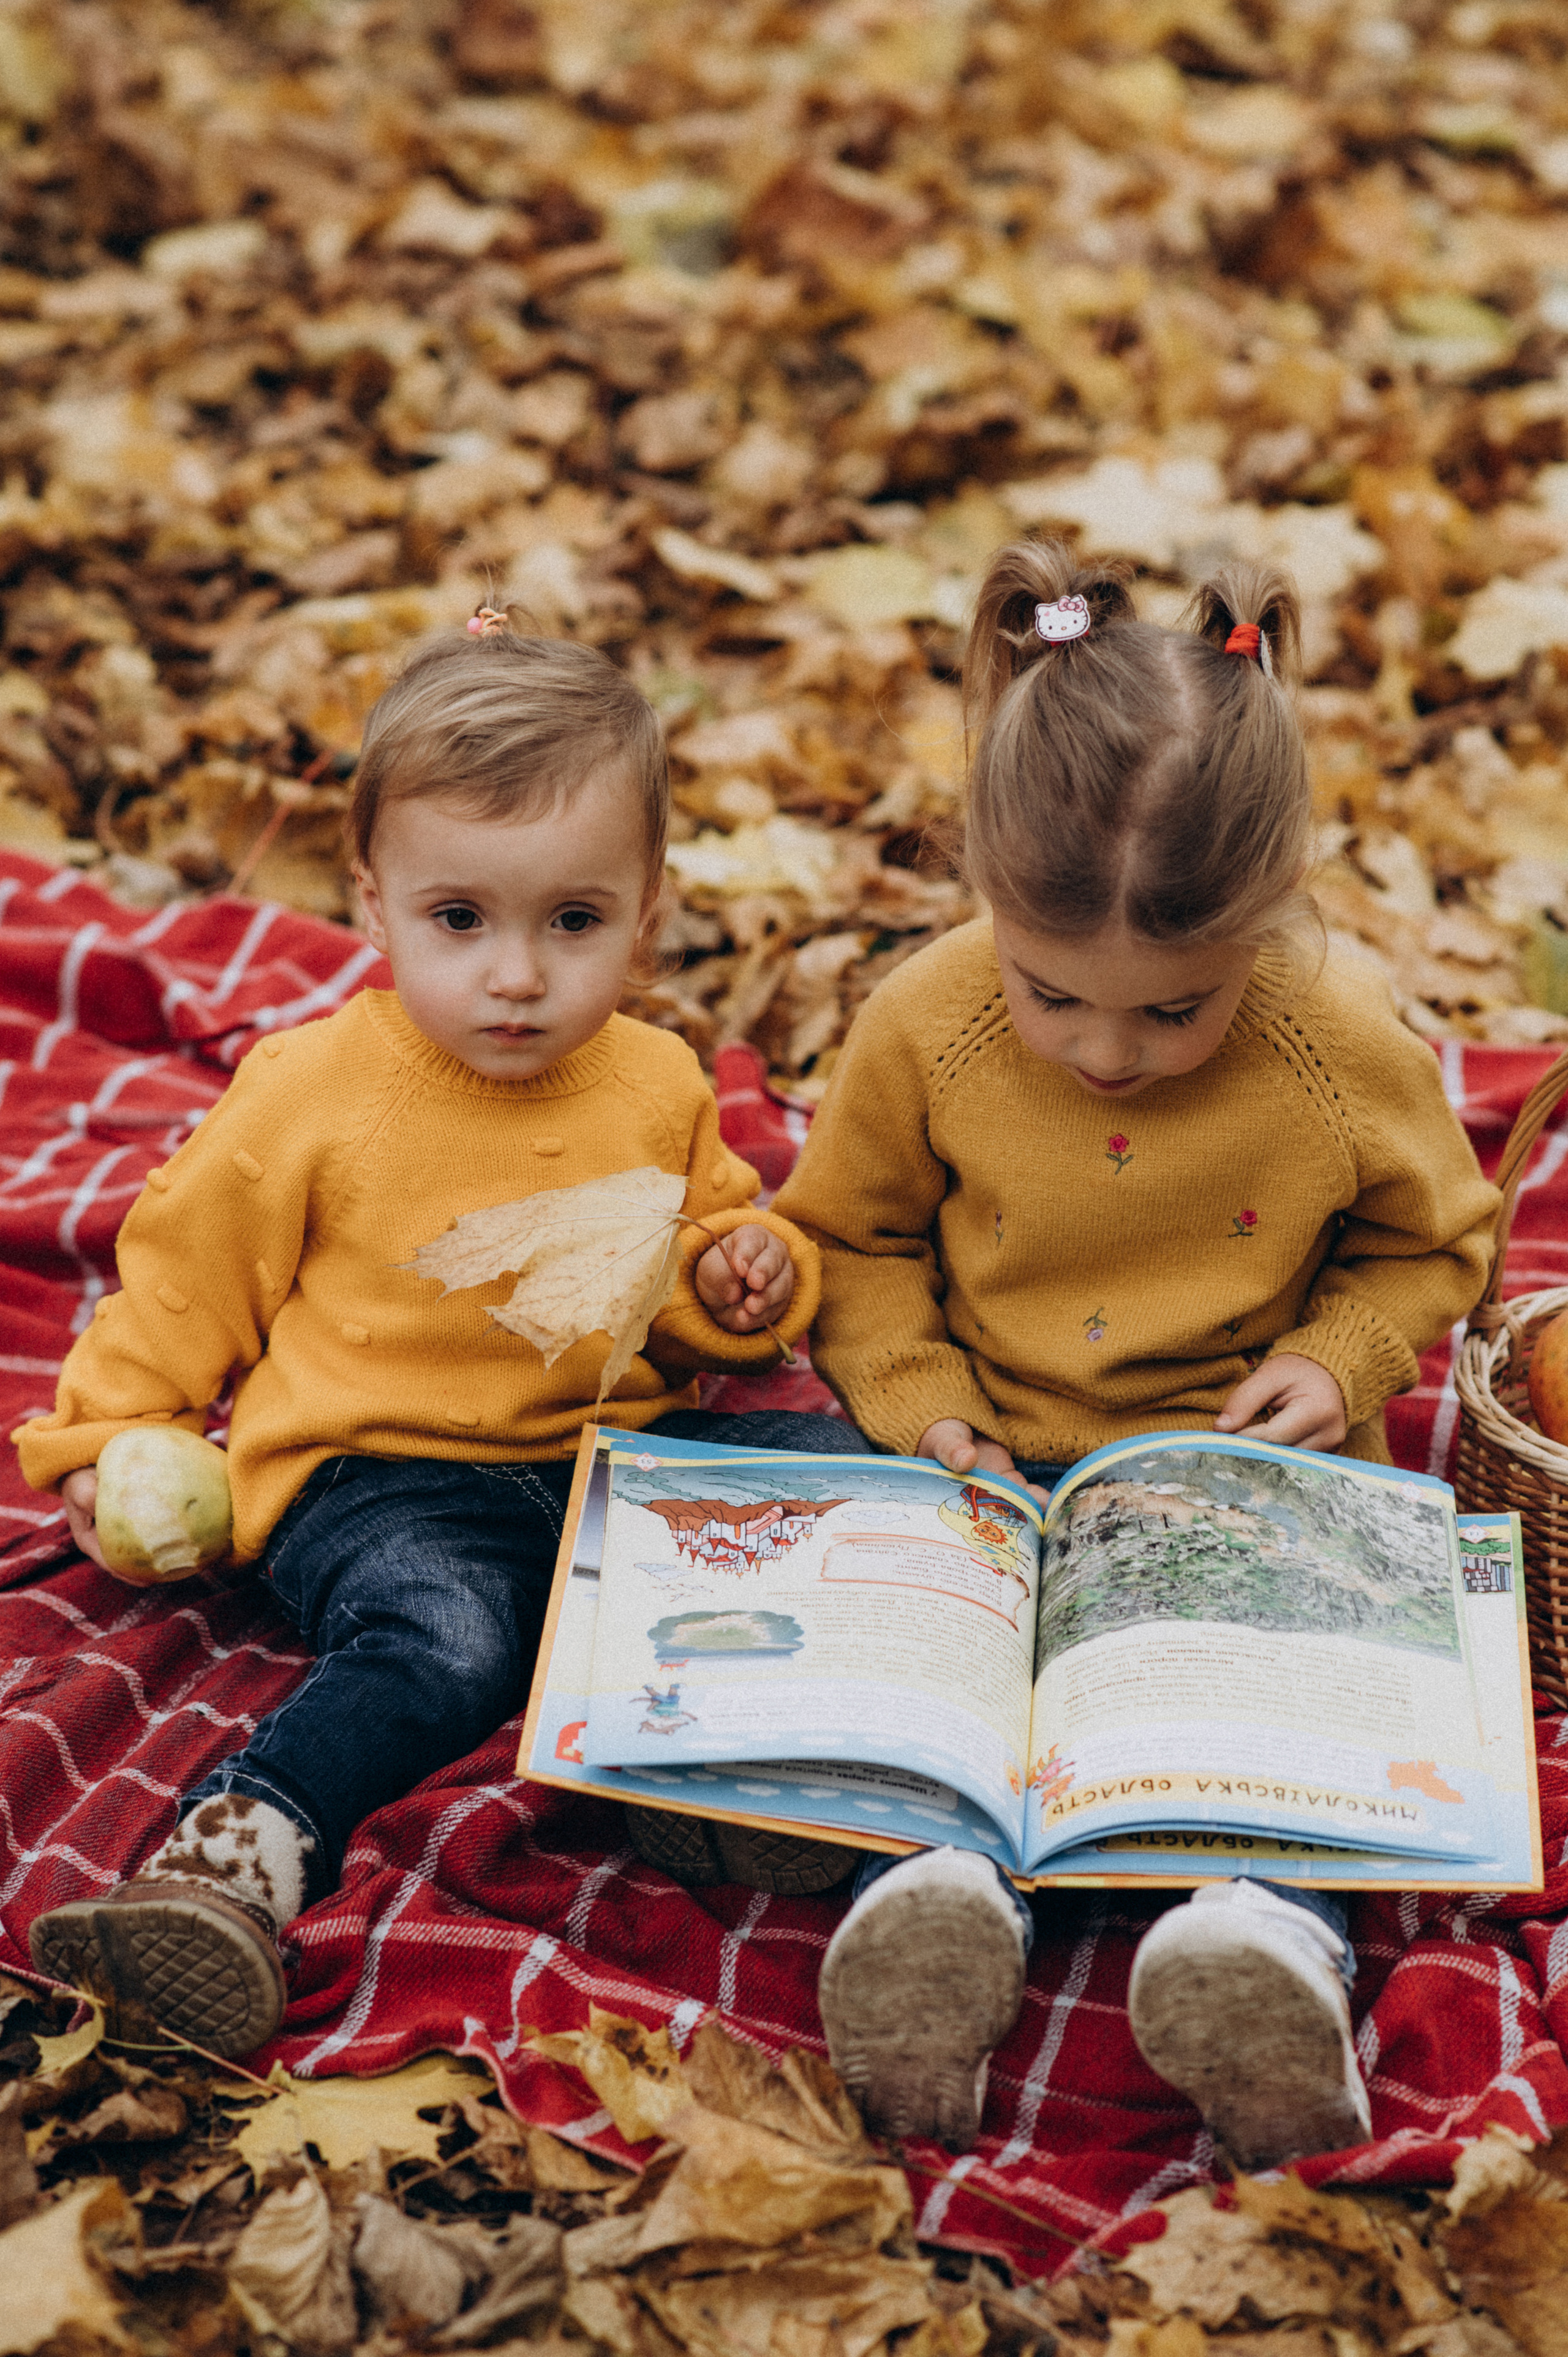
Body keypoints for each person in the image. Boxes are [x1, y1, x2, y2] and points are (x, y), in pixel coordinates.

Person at [15, 610, 862, 2057]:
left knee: (817, 1468)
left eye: (571, 922)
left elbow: (694, 1245)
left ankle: (702, 1766)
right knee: (453, 1637)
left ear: (646, 911)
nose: (517, 976)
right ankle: (237, 1856)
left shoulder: (653, 1081)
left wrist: (744, 1276)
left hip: (604, 1456)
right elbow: (185, 1268)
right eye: (458, 921)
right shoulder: (315, 1092)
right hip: (378, 1471)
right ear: (375, 902)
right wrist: (106, 1433)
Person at [767, 546, 1501, 2168]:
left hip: (1237, 1472)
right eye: (1058, 999)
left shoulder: (1337, 1048)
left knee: (1276, 1682)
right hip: (982, 1464)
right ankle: (936, 1914)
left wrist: (1343, 1357)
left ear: (1266, 921)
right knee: (903, 1641)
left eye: (1176, 1014)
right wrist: (920, 1402)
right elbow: (858, 1242)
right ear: (987, 899)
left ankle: (1264, 1942)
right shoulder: (929, 1023)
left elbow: (1439, 1240)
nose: (1108, 1052)